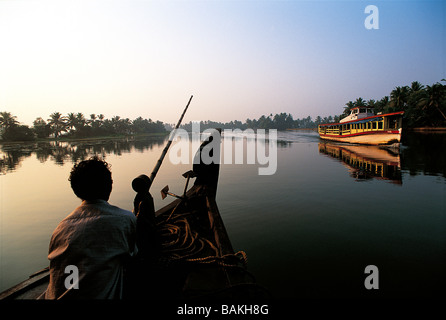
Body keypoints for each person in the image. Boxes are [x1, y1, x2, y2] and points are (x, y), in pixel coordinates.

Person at [44, 156, 137, 299]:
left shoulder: (61, 227)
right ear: (110, 185)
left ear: (76, 190)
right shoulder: (124, 219)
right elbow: (134, 255)